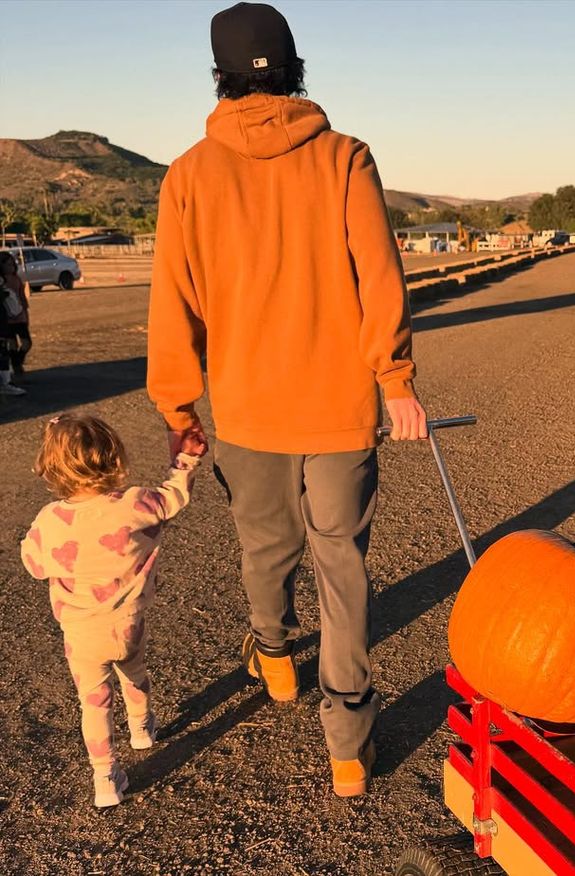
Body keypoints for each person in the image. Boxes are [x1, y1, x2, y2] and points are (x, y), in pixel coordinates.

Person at [146, 2, 427, 798]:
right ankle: (349, 749)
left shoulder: (188, 175)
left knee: (266, 547)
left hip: (246, 410)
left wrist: (178, 408)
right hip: (340, 408)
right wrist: (395, 380)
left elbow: (173, 302)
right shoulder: (345, 157)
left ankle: (273, 657)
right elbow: (379, 276)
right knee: (342, 566)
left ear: (219, 76)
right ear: (296, 69)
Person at [20, 414, 206, 807]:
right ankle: (141, 729)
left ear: (50, 467)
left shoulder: (50, 520)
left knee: (94, 701)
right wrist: (185, 461)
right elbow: (173, 497)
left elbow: (34, 565)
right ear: (114, 456)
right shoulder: (134, 503)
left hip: (81, 634)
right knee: (134, 674)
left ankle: (105, 777)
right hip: (128, 624)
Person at [1, 250, 31, 377]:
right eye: (8, 265)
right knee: (12, 344)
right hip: (7, 319)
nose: (11, 267)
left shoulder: (16, 279)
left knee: (27, 343)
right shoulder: (2, 281)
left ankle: (17, 361)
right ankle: (16, 367)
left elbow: (22, 296)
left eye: (12, 264)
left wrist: (26, 312)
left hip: (20, 316)